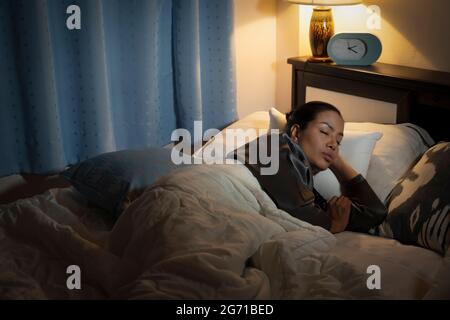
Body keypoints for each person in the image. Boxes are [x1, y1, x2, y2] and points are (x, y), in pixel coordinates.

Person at [233, 101, 387, 234]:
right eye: (324, 132)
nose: (333, 144)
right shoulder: (274, 148)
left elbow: (374, 213)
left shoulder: (304, 190)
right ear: (296, 132)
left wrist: (337, 161)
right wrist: (335, 226)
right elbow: (304, 215)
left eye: (338, 141)